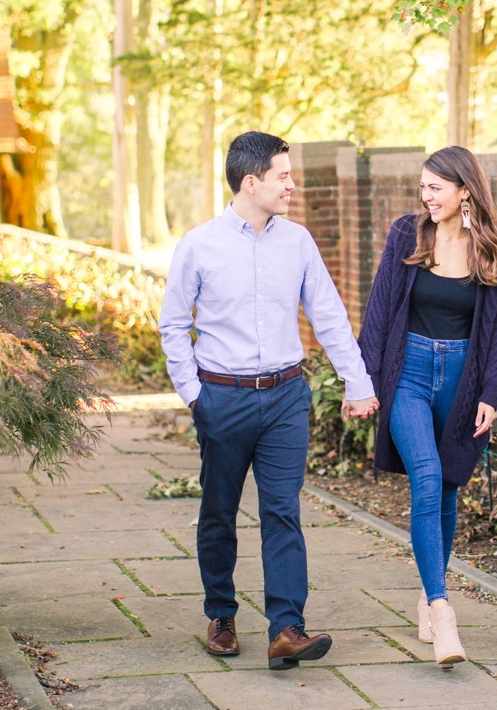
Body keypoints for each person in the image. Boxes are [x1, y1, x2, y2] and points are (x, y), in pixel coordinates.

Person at [158, 131, 379, 670]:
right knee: (218, 513)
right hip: (222, 399)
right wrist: (195, 397)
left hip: (284, 397)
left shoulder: (297, 242)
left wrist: (358, 380)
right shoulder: (199, 245)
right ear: (250, 181)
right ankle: (222, 613)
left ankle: (287, 628)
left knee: (282, 510)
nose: (292, 185)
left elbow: (327, 313)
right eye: (283, 175)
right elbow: (172, 324)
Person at [356, 146, 497, 667]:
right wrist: (362, 380)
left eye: (436, 188)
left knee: (447, 487)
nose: (426, 196)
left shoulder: (496, 245)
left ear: (464, 190)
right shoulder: (408, 234)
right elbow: (380, 307)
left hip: (463, 381)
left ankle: (429, 592)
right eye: (422, 186)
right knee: (426, 478)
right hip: (408, 372)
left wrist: (491, 394)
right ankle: (442, 609)